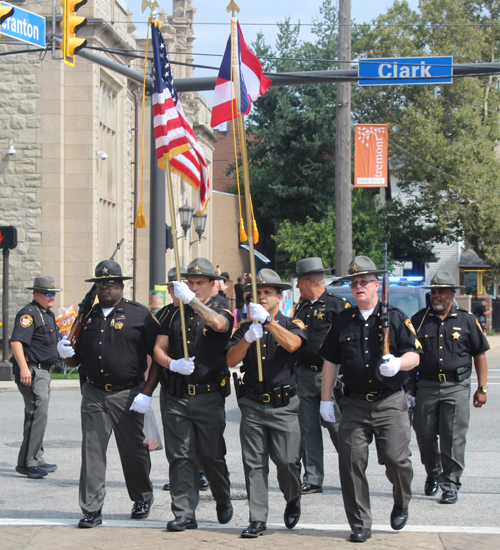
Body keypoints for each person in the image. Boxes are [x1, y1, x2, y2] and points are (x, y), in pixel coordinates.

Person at [320, 256, 421, 543]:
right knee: (350, 463)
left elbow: (416, 354)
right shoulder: (343, 321)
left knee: (396, 460)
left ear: (377, 285)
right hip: (353, 404)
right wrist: (326, 400)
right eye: (354, 282)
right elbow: (331, 362)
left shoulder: (395, 316)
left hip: (389, 401)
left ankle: (401, 501)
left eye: (364, 281)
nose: (358, 286)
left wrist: (398, 364)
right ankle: (360, 523)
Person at [58, 260, 161, 528]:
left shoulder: (140, 315)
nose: (105, 288)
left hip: (128, 393)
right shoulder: (87, 318)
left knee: (134, 452)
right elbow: (75, 360)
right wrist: (65, 354)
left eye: (111, 283)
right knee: (92, 451)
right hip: (93, 393)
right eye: (100, 283)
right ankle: (91, 508)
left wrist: (148, 392)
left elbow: (158, 356)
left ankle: (142, 497)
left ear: (121, 286)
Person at [153, 258, 233, 532]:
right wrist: (171, 363)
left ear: (213, 285)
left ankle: (222, 496)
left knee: (211, 455)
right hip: (176, 396)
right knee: (180, 456)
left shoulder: (221, 307)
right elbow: (158, 348)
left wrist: (193, 302)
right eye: (190, 283)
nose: (194, 287)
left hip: (208, 395)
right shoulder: (175, 313)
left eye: (200, 283)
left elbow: (220, 325)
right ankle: (185, 512)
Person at [227, 269, 307, 538]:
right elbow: (230, 360)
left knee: (287, 461)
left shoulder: (292, 322)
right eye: (257, 293)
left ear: (278, 297)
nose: (261, 297)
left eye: (267, 293)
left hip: (283, 405)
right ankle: (257, 518)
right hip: (252, 404)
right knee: (254, 464)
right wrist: (249, 337)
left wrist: (269, 322)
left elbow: (293, 344)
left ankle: (292, 496)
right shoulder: (244, 328)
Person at [411, 271, 489, 505]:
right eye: (433, 292)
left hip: (456, 386)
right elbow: (407, 353)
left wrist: (482, 388)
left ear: (452, 294)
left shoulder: (466, 320)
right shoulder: (419, 320)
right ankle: (433, 472)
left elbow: (479, 355)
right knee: (424, 435)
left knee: (453, 437)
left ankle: (450, 484)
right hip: (425, 385)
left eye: (441, 292)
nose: (436, 296)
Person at [293, 257, 351, 494]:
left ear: (309, 280)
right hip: (304, 375)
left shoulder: (338, 306)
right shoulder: (302, 307)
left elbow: (348, 343)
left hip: (330, 375)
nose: (297, 287)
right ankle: (314, 478)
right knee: (308, 428)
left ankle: (351, 472)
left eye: (299, 282)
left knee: (337, 427)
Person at [156, 267, 209, 493]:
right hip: (171, 384)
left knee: (200, 435)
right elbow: (154, 351)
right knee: (174, 435)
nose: (176, 290)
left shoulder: (201, 310)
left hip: (201, 385)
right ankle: (177, 473)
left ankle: (201, 473)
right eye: (173, 287)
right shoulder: (164, 315)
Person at [11, 276, 62, 479]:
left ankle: (36, 457)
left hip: (43, 372)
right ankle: (28, 462)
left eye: (54, 293)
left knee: (37, 416)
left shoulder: (47, 314)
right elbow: (16, 342)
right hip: (32, 371)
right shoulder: (28, 314)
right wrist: (24, 369)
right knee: (36, 414)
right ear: (36, 295)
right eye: (48, 294)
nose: (52, 297)